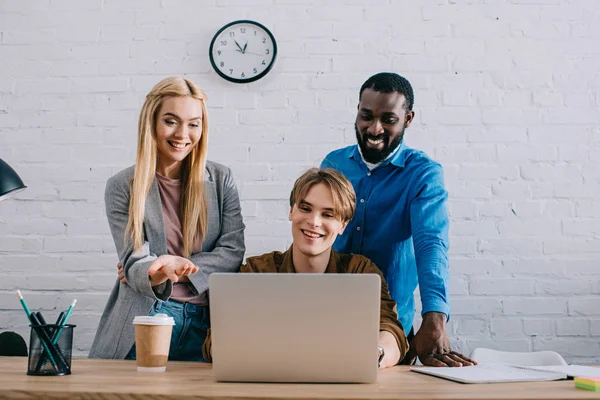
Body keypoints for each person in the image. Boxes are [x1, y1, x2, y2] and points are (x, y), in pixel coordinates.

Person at [321, 72, 475, 367]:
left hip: (389, 329)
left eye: (388, 119)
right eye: (366, 116)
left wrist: (435, 317)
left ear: (408, 118)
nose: (374, 128)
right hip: (329, 318)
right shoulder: (334, 164)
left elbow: (431, 244)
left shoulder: (422, 174)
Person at [89, 77, 245, 361]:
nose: (183, 133)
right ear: (151, 122)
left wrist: (175, 266)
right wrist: (154, 270)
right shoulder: (122, 185)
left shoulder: (222, 180)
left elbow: (232, 252)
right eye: (171, 121)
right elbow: (134, 261)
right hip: (148, 317)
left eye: (193, 124)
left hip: (208, 324)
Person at [202, 168, 409, 369]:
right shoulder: (258, 270)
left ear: (343, 225)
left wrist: (376, 354)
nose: (314, 222)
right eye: (305, 208)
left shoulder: (361, 272)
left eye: (328, 215)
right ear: (291, 211)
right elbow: (217, 340)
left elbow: (391, 331)